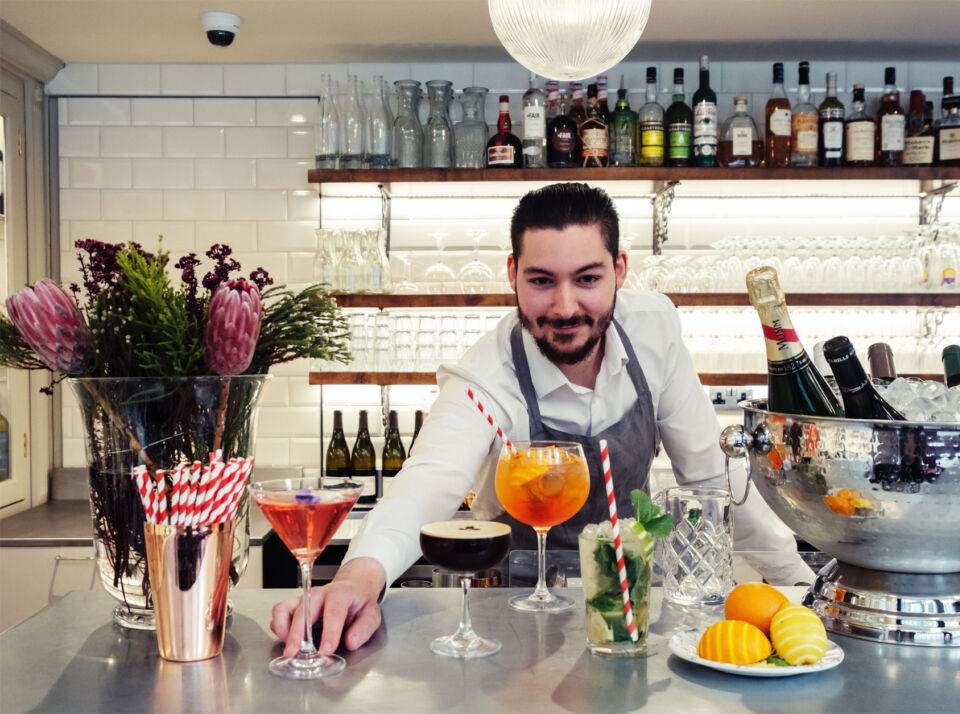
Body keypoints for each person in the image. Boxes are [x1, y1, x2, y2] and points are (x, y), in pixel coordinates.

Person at [271, 182, 812, 656]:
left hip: (628, 603)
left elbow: (711, 474)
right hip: (508, 615)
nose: (565, 307)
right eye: (541, 281)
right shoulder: (486, 375)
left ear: (620, 270)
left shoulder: (655, 331)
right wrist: (358, 577)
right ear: (513, 274)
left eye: (588, 278)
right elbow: (426, 485)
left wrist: (793, 581)